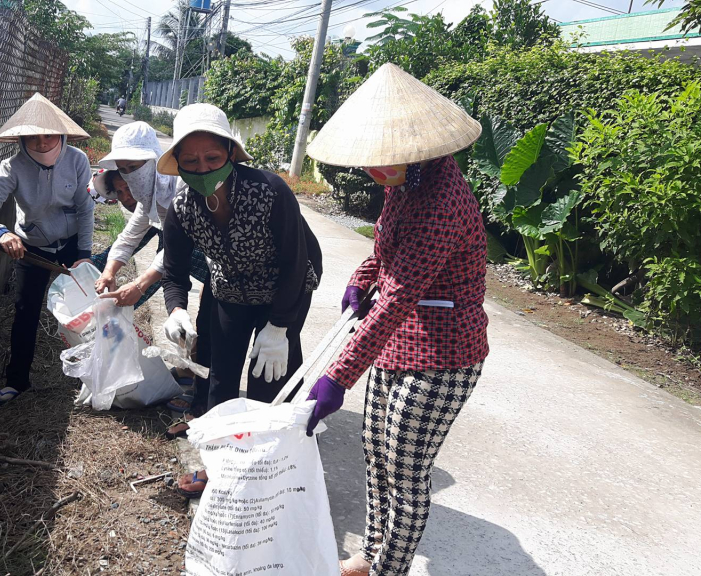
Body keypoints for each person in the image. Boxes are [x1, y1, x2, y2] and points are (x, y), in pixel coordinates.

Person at [303, 64, 490, 576]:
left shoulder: (443, 199)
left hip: (443, 355)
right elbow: (387, 247)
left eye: (380, 161)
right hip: (398, 345)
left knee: (405, 469)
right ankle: (371, 554)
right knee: (374, 454)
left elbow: (400, 296)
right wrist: (361, 276)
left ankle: (390, 569)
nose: (373, 171)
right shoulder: (404, 180)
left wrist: (338, 375)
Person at [158, 103, 322, 497]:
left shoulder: (269, 191)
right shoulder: (182, 208)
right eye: (191, 160)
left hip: (286, 287)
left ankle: (266, 470)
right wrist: (176, 308)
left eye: (212, 157)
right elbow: (173, 270)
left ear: (230, 154)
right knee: (220, 378)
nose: (202, 168)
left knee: (271, 379)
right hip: (229, 288)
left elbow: (295, 262)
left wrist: (280, 325)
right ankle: (220, 467)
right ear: (178, 162)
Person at [0, 93, 94, 406]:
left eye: (49, 136)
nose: (41, 143)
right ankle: (17, 381)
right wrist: (1, 233)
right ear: (21, 138)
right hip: (32, 249)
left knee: (90, 309)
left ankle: (95, 374)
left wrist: (84, 253)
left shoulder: (78, 161)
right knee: (25, 312)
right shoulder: (12, 167)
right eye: (33, 137)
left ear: (62, 135)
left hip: (70, 245)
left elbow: (85, 209)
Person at [90, 122, 214, 424]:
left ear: (155, 160)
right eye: (124, 168)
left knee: (212, 321)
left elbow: (179, 246)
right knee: (185, 317)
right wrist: (109, 271)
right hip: (200, 257)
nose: (130, 177)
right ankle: (192, 372)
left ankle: (205, 397)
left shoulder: (180, 184)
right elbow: (131, 233)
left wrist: (140, 282)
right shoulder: (149, 196)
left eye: (135, 166)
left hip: (219, 259)